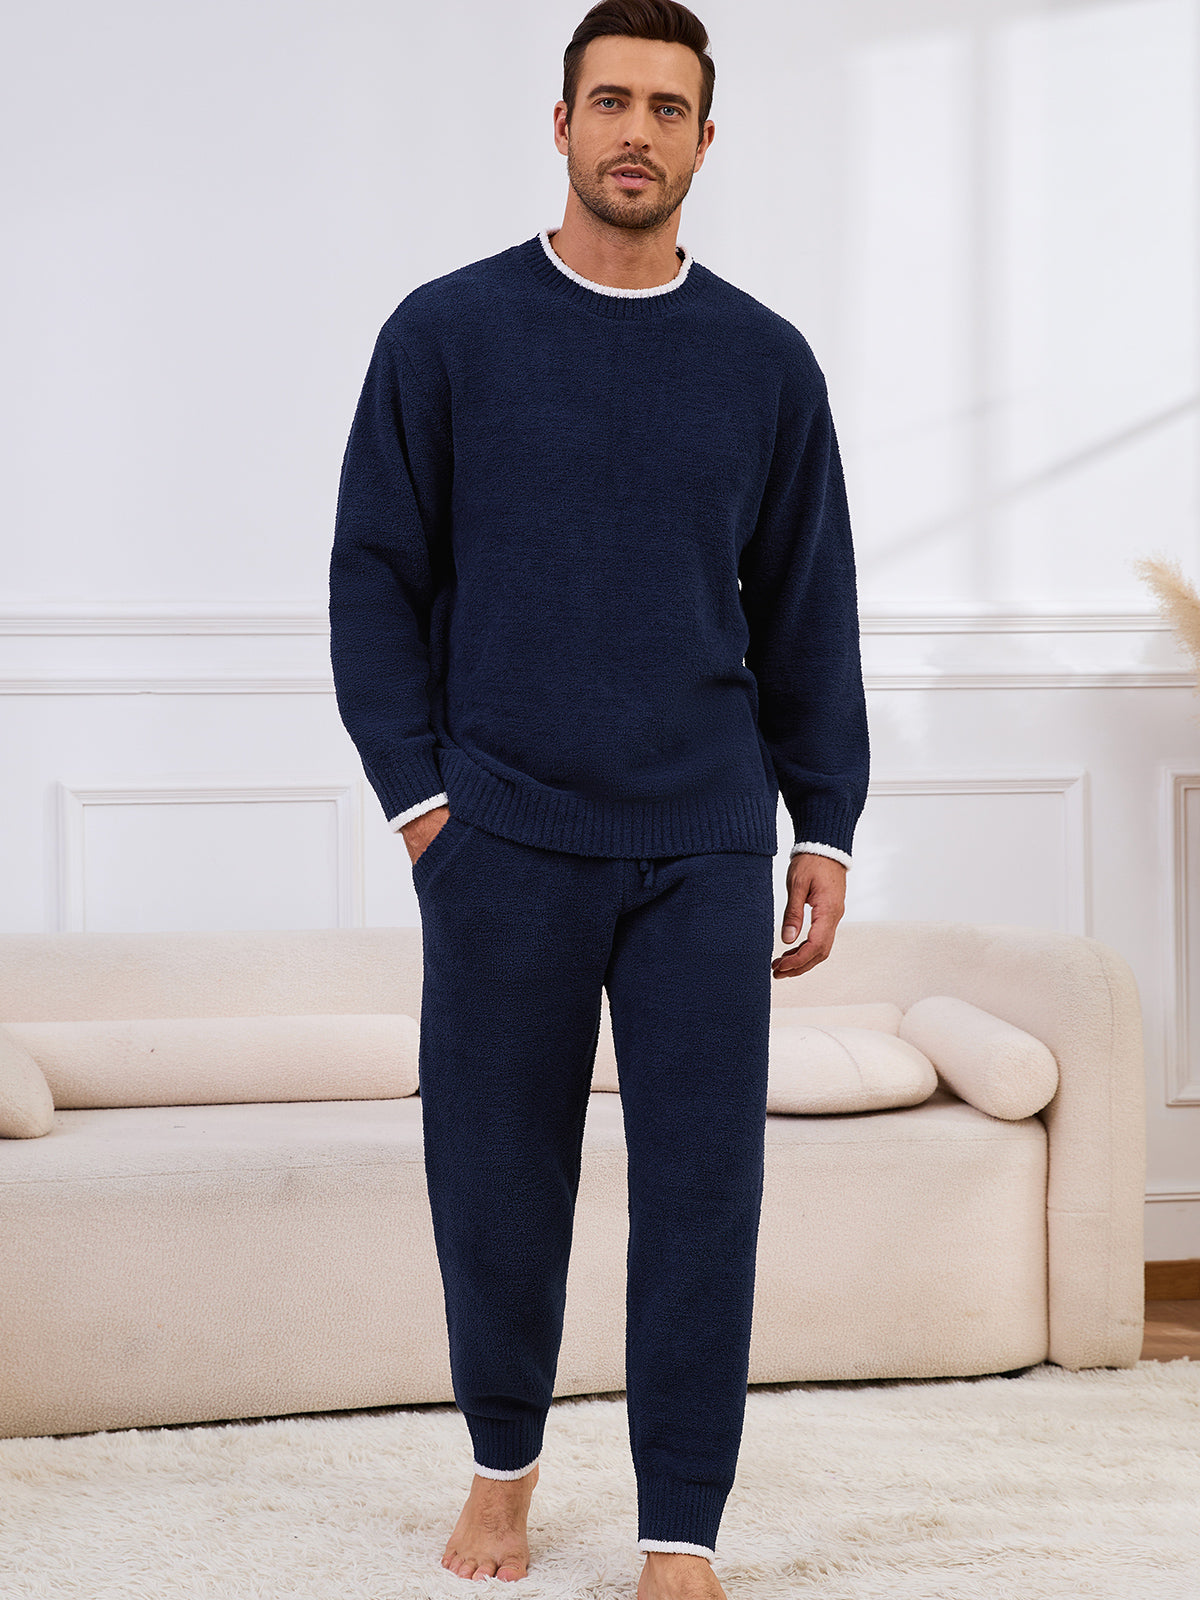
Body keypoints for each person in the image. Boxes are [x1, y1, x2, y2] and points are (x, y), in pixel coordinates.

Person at [328, 1, 870, 1593]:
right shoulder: (445, 335)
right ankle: (503, 1471)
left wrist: (821, 821)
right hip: (502, 834)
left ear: (710, 138)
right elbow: (375, 578)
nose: (638, 130)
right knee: (496, 1181)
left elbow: (807, 606)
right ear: (558, 124)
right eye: (611, 101)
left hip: (705, 837)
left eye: (670, 107)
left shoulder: (766, 362)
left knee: (706, 1192)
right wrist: (426, 808)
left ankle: (679, 1528)